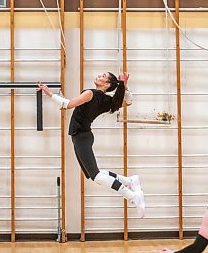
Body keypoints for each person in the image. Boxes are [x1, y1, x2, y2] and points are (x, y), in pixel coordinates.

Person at [37, 72, 145, 216]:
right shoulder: (107, 101)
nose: (99, 76)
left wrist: (48, 93)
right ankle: (130, 180)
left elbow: (68, 104)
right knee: (93, 174)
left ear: (107, 84)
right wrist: (125, 86)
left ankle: (132, 196)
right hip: (83, 136)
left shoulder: (90, 93)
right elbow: (128, 102)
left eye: (103, 76)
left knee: (97, 176)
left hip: (81, 136)